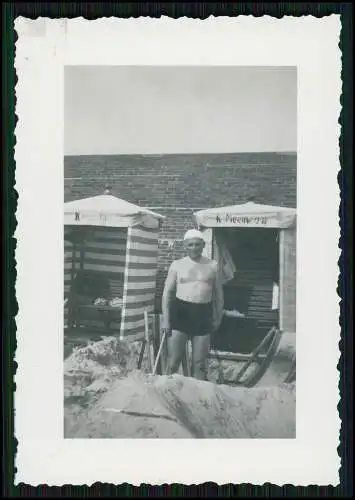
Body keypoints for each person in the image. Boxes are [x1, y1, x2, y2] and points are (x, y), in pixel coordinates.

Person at [161, 229, 224, 380]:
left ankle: (197, 399)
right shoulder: (177, 265)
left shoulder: (213, 266)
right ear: (185, 246)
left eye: (197, 244)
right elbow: (166, 294)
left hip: (203, 314)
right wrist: (166, 319)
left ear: (203, 245)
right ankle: (170, 393)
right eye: (190, 245)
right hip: (180, 313)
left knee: (199, 363)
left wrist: (218, 317)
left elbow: (219, 295)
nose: (194, 248)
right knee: (174, 360)